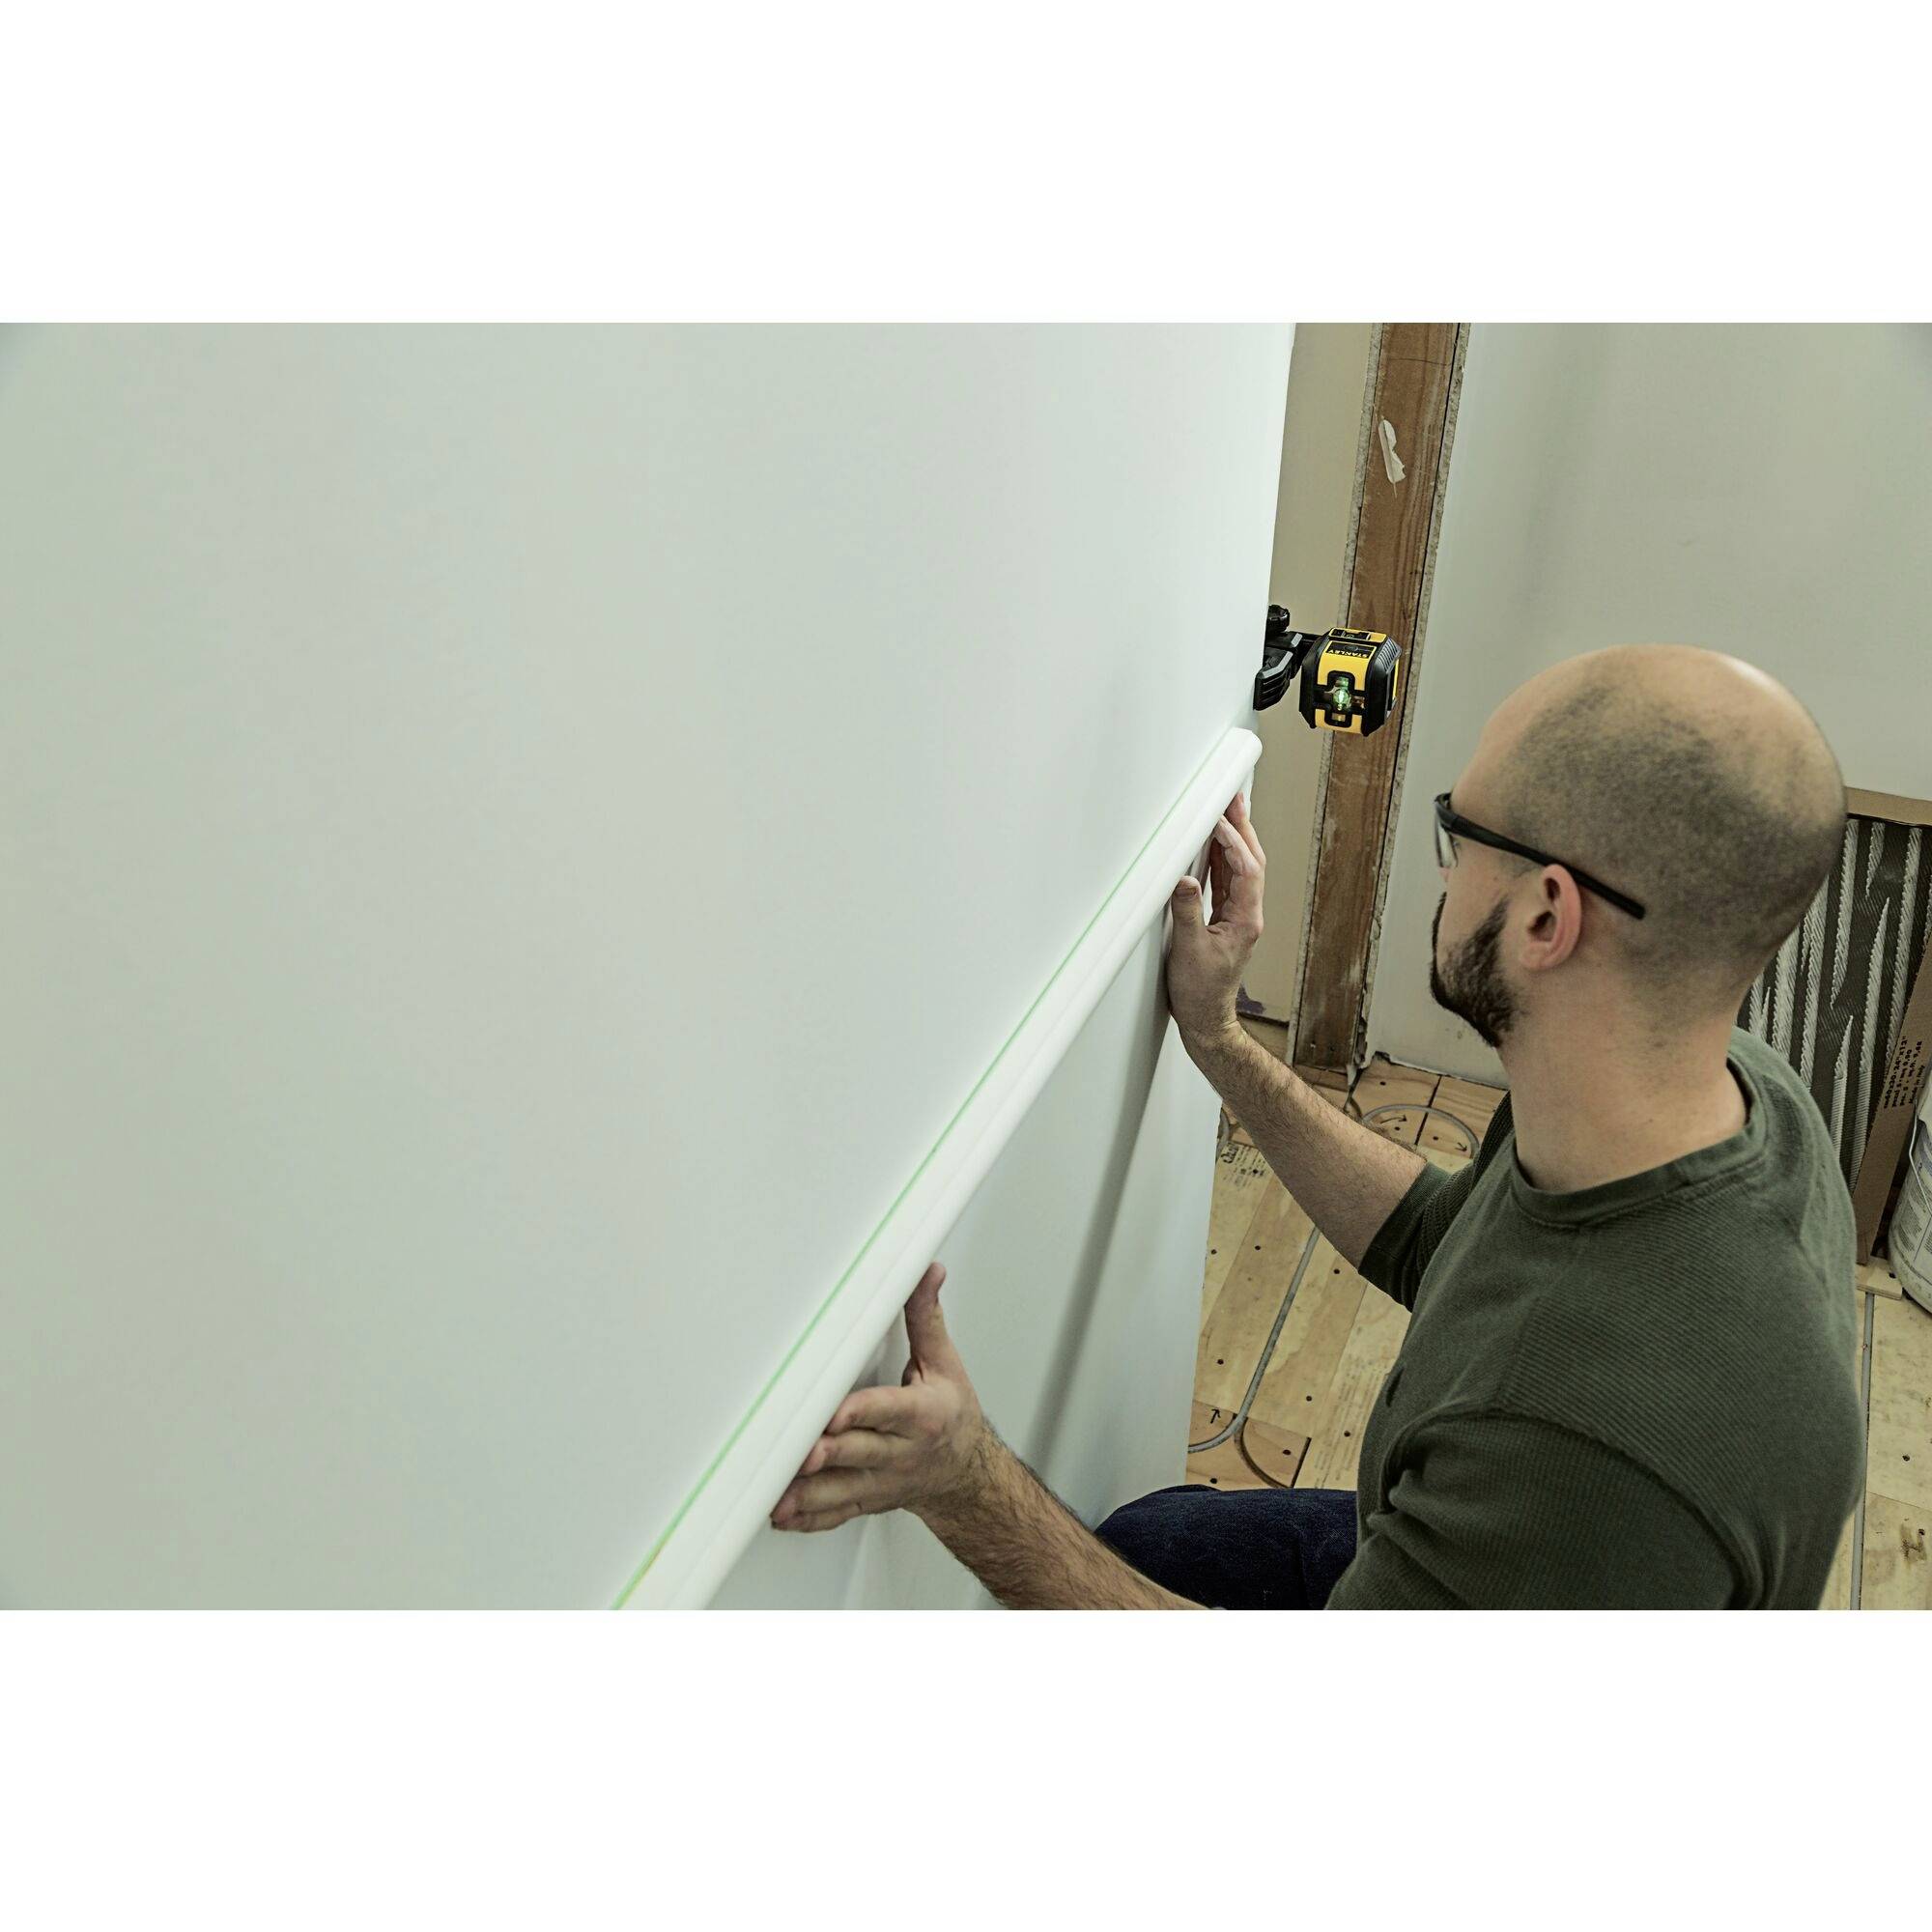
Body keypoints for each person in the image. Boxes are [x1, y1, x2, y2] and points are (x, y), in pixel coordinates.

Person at [770, 645, 1865, 1607]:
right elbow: (1448, 1240)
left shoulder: (1584, 1454)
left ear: (1543, 913)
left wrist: (962, 1480)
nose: (1441, 868)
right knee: (1153, 1541)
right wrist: (1218, 1041)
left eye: (1458, 829)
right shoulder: (1723, 1097)